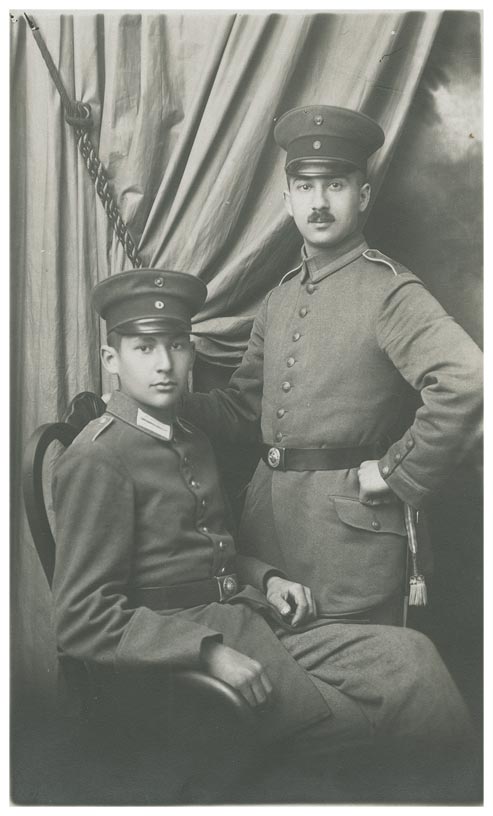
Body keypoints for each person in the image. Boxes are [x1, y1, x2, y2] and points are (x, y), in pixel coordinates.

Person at [52, 269, 474, 802]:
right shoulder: (98, 458)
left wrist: (269, 578)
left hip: (252, 617)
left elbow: (207, 553)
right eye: (143, 348)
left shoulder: (187, 436)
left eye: (177, 345)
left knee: (413, 659)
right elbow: (80, 620)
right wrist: (206, 653)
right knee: (376, 729)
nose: (164, 364)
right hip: (184, 661)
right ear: (111, 361)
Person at [180, 105, 483, 627]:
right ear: (288, 199)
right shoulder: (279, 299)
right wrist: (167, 401)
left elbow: (469, 378)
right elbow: (241, 409)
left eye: (336, 185)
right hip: (266, 537)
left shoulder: (388, 290)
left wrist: (395, 472)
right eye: (305, 186)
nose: (318, 203)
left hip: (352, 546)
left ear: (362, 196)